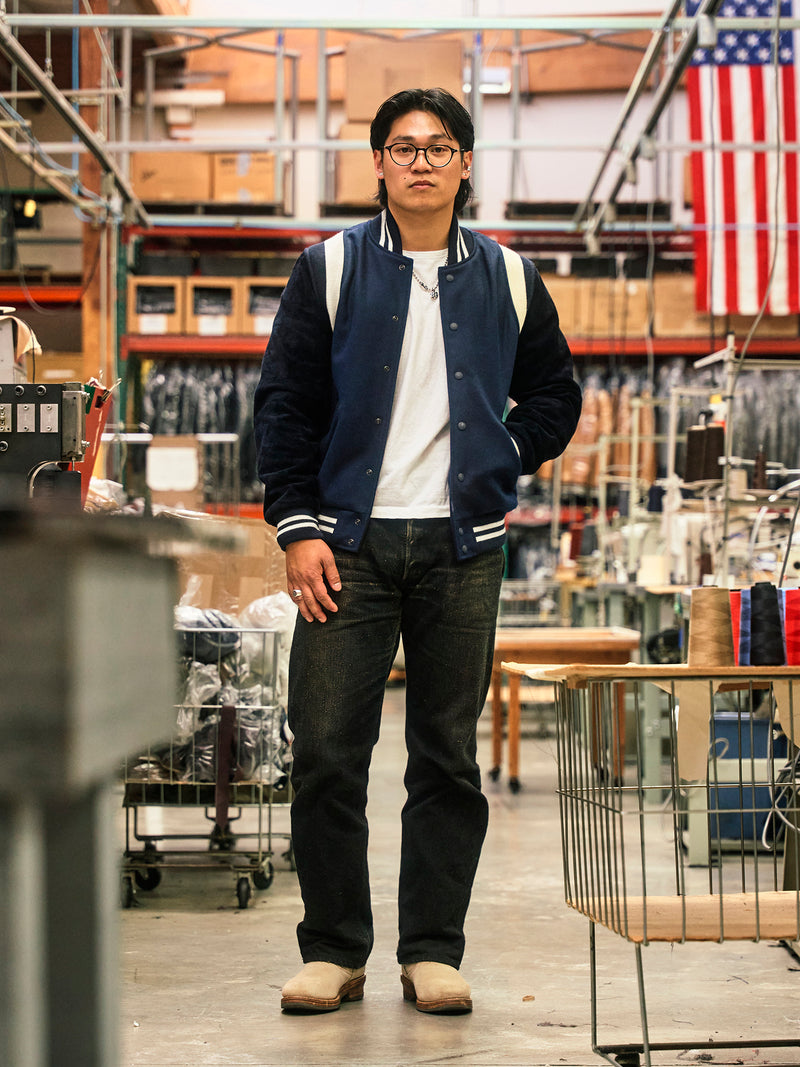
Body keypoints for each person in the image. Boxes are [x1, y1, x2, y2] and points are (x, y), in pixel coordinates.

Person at [253, 87, 581, 1015]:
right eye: (404, 147)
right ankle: (335, 950)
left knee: (445, 755)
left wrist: (501, 454)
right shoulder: (329, 269)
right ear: (381, 166)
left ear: (466, 163)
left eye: (441, 146)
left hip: (461, 548)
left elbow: (556, 393)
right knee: (323, 751)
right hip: (345, 548)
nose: (423, 161)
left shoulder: (510, 277)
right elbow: (283, 407)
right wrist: (299, 526)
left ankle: (431, 949)